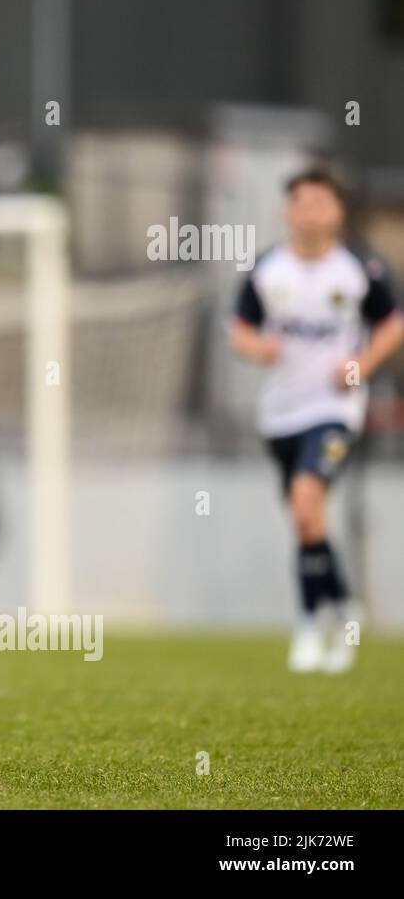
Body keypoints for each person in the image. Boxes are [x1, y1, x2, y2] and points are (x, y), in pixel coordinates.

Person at [230, 168, 404, 673]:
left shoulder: (360, 268)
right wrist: (257, 347)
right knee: (308, 521)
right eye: (300, 203)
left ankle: (309, 625)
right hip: (281, 412)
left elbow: (393, 321)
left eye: (320, 204)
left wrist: (363, 365)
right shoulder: (269, 268)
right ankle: (343, 604)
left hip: (334, 409)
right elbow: (238, 329)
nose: (310, 213)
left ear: (337, 212)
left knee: (307, 505)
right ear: (288, 212)